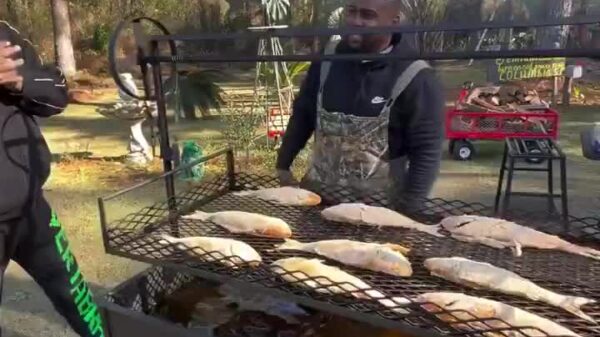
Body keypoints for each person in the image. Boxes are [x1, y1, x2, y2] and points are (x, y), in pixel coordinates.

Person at [276, 0, 445, 209]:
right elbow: (303, 115)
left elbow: (426, 152)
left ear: (393, 22)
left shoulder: (416, 77)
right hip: (319, 201)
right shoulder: (327, 60)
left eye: (367, 15)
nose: (355, 22)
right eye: (351, 12)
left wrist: (408, 213)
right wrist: (283, 164)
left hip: (380, 211)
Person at [0, 22, 105, 337]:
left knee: (80, 303)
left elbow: (56, 94)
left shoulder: (5, 34)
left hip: (32, 209)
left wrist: (18, 80)